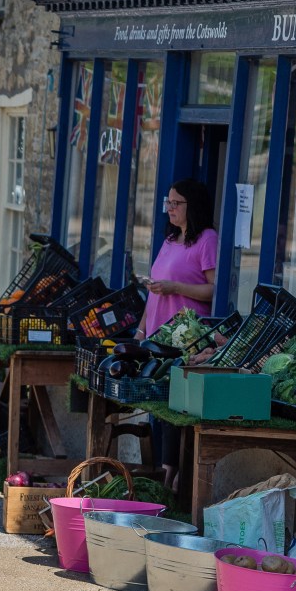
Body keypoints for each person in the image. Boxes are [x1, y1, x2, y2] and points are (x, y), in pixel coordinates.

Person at [134, 178, 217, 491]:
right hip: (158, 337)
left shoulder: (207, 240)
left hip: (186, 342)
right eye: (167, 202)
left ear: (191, 206)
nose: (169, 208)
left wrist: (176, 288)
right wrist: (141, 329)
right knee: (160, 409)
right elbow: (156, 290)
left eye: (176, 203)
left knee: (175, 409)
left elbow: (214, 290)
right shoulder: (170, 240)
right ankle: (164, 475)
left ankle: (174, 482)